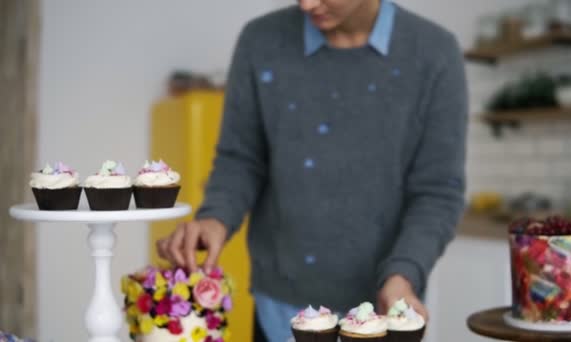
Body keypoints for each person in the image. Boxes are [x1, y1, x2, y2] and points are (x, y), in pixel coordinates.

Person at [157, 0, 468, 340]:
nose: (307, 4)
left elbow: (438, 191)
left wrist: (404, 274)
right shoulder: (260, 41)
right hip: (279, 313)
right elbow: (240, 158)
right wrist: (214, 217)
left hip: (383, 315)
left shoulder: (435, 52)